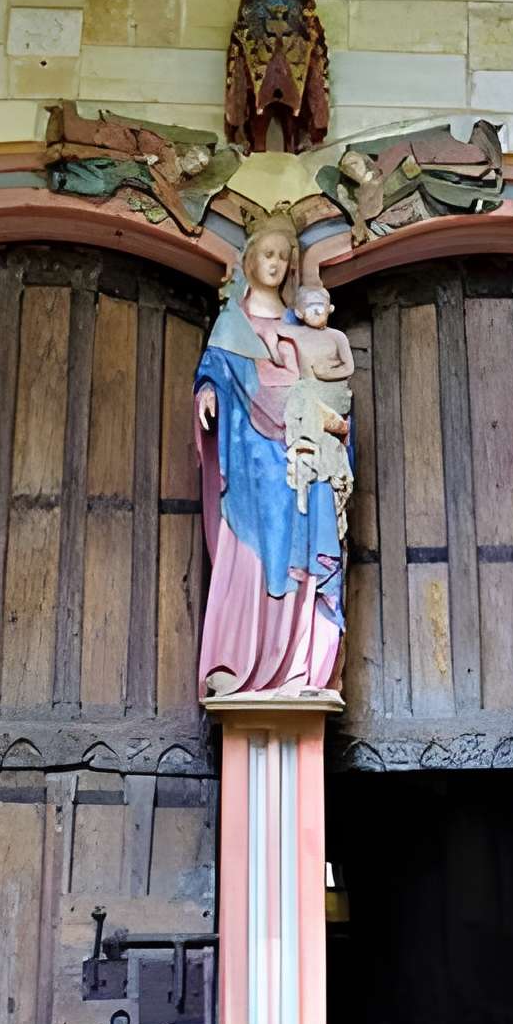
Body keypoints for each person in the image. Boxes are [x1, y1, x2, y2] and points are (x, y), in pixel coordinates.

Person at [194, 220, 345, 698]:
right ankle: (241, 659)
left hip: (297, 455)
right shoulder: (231, 325)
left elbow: (330, 385)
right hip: (250, 457)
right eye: (268, 255)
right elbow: (213, 371)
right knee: (253, 553)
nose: (276, 264)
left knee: (302, 549)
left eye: (284, 257)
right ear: (249, 260)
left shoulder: (300, 325)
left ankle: (301, 663)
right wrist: (207, 393)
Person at [272, 284, 354, 545]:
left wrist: (326, 372)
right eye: (310, 306)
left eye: (321, 305)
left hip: (333, 393)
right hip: (307, 392)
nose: (316, 310)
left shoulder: (337, 337)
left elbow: (348, 367)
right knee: (300, 394)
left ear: (330, 309)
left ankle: (308, 449)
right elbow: (268, 328)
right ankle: (303, 452)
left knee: (305, 392)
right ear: (299, 311)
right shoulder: (295, 334)